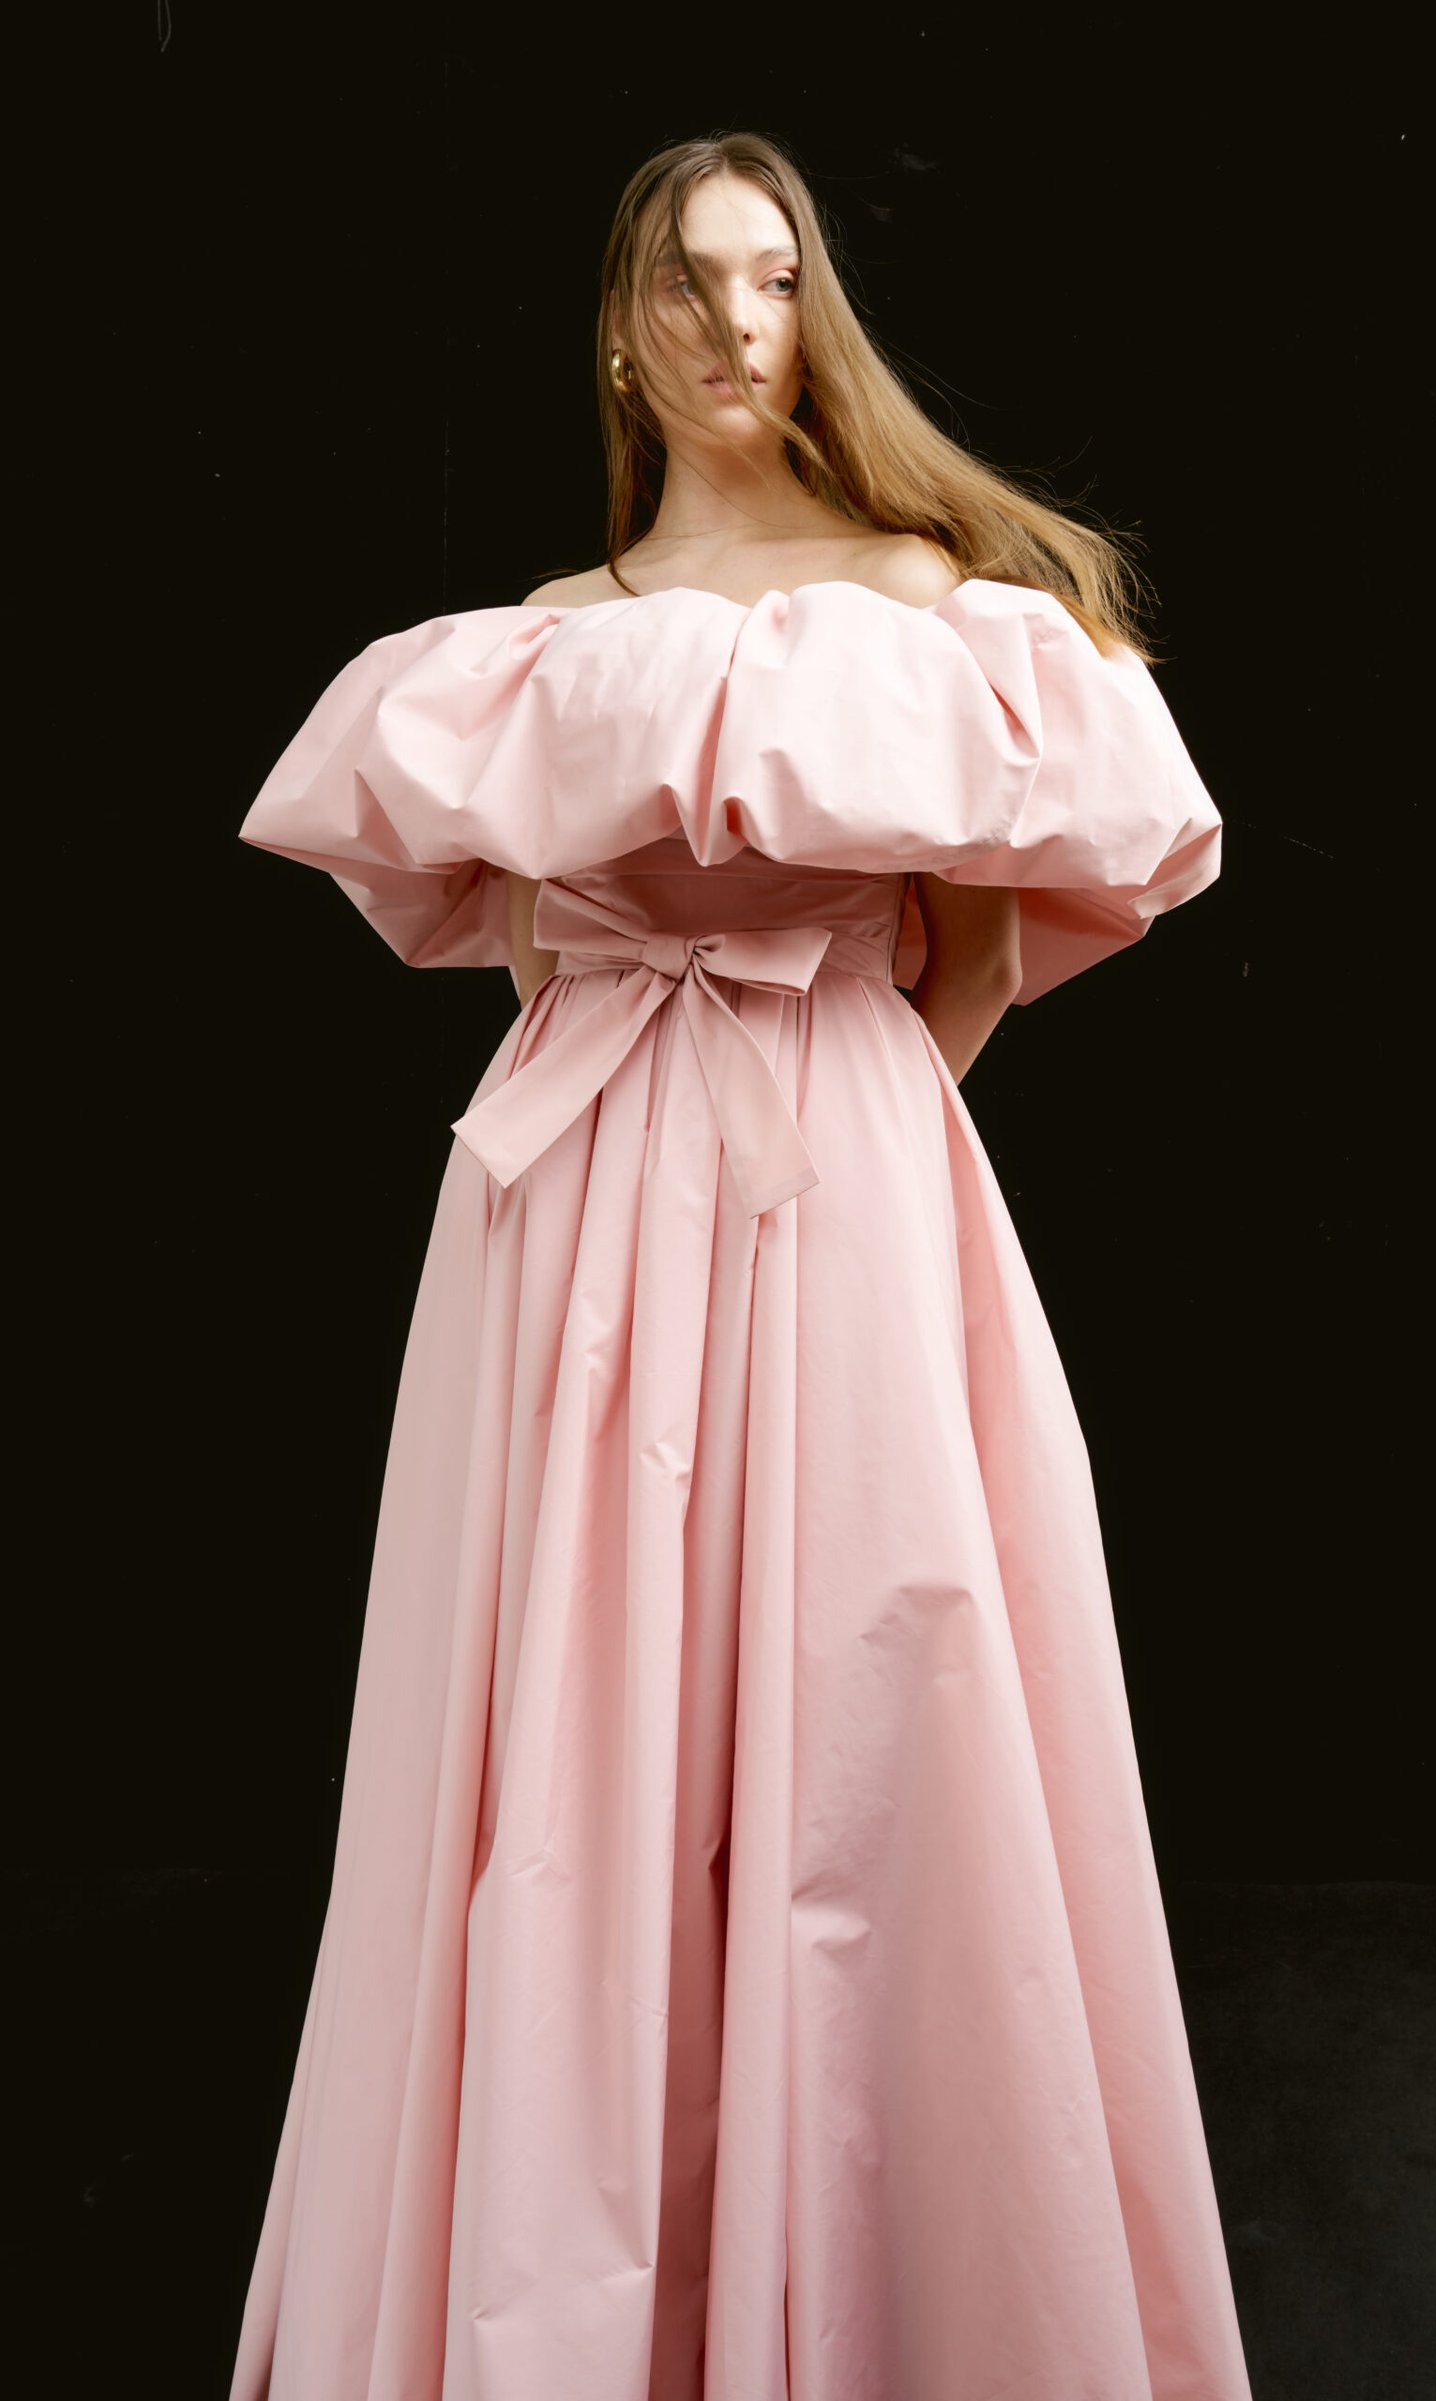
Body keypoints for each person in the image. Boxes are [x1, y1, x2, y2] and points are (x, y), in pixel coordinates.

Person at [228, 130, 1252, 2401]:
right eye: (687, 284)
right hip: (574, 1193)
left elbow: (974, 961)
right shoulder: (537, 644)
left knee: (871, 1704)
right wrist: (667, 1097)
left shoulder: (921, 603)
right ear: (620, 328)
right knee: (566, 1721)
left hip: (836, 1175)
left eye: (773, 278)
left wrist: (829, 1107)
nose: (731, 325)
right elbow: (529, 951)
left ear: (816, 313)